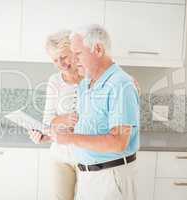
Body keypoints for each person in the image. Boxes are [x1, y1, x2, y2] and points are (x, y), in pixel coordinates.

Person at [50, 24, 140, 200]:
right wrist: (66, 132)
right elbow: (90, 128)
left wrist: (70, 138)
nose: (73, 61)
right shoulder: (86, 84)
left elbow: (118, 142)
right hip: (88, 177)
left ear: (98, 49)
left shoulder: (121, 84)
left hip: (110, 177)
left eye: (78, 54)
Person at [29, 30, 83, 200]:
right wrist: (65, 120)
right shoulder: (55, 81)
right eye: (55, 60)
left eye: (64, 57)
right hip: (61, 156)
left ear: (74, 52)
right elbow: (48, 121)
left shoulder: (91, 76)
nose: (61, 63)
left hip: (89, 158)